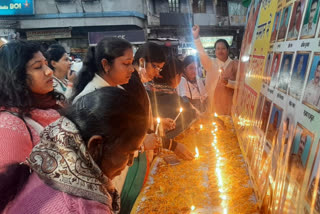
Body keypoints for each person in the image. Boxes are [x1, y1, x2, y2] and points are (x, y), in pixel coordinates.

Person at [1, 87, 148, 213]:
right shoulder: (85, 207)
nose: (130, 162)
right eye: (128, 153)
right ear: (96, 145)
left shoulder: (49, 162)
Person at [0, 40, 61, 169]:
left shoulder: (53, 105)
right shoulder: (10, 124)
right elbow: (11, 184)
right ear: (17, 75)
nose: (49, 71)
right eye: (38, 67)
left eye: (46, 64)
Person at [145, 56, 196, 159]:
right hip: (155, 152)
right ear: (177, 76)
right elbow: (191, 114)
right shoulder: (174, 100)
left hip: (150, 149)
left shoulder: (145, 92)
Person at [192, 25, 238, 115]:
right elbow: (202, 53)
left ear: (228, 50)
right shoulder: (210, 63)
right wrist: (196, 38)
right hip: (212, 106)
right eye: (218, 48)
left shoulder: (235, 64)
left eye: (223, 48)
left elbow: (240, 85)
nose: (220, 51)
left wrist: (228, 83)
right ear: (215, 51)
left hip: (230, 107)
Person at [72, 37, 134, 103]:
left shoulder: (119, 90)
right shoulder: (88, 99)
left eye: (132, 63)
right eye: (126, 63)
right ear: (106, 65)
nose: (132, 69)